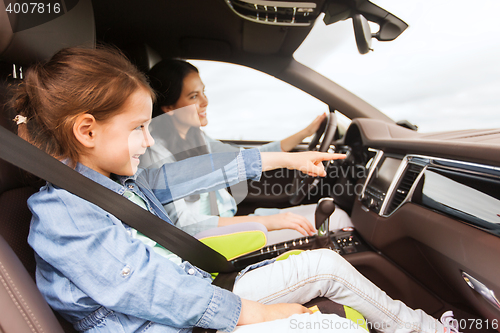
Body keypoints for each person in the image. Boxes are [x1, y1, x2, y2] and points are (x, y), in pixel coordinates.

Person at [14, 46, 458, 333]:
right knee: (327, 327)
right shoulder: (66, 212)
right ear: (87, 132)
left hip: (191, 299)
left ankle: (430, 330)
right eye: (139, 128)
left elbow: (200, 172)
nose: (149, 141)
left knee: (325, 264)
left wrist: (287, 157)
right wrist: (260, 313)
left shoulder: (119, 183)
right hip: (161, 324)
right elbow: (148, 290)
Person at [142, 59, 353, 242]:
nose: (205, 101)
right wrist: (265, 222)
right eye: (194, 96)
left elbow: (245, 157)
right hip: (213, 241)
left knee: (335, 216)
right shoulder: (157, 154)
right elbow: (184, 225)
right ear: (169, 107)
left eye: (203, 92)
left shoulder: (196, 138)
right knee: (338, 219)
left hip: (231, 225)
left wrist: (305, 133)